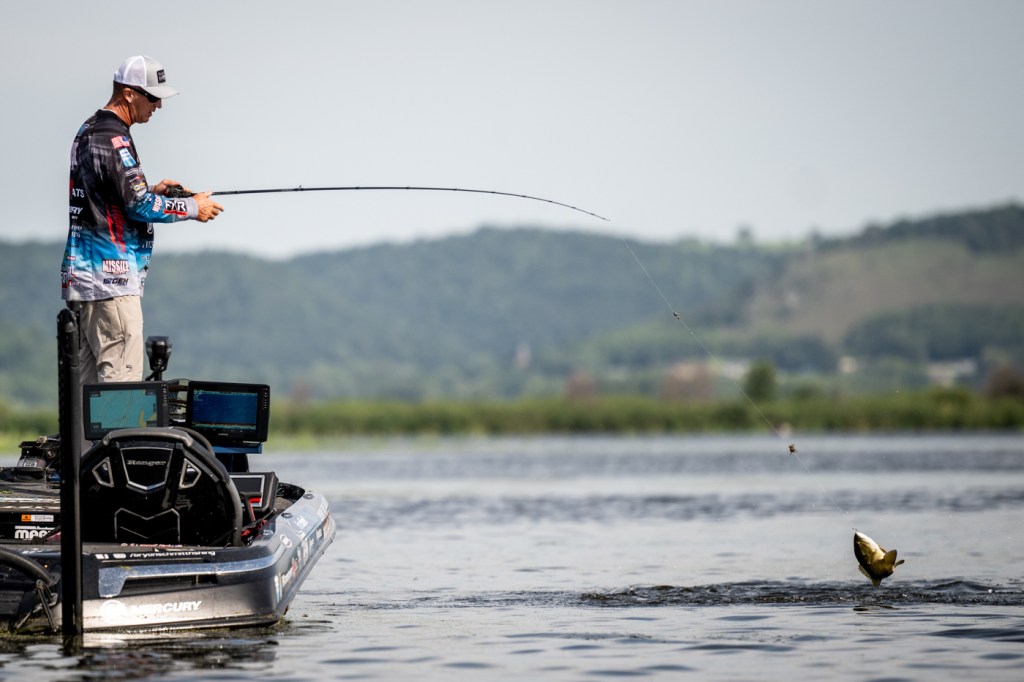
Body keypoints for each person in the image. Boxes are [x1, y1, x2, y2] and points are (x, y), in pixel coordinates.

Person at [60, 55, 224, 385]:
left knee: (86, 396)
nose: (158, 106)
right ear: (128, 93)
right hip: (112, 282)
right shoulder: (115, 138)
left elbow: (111, 197)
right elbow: (138, 205)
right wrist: (192, 207)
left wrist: (153, 190)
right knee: (121, 388)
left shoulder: (88, 129)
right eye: (152, 97)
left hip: (84, 281)